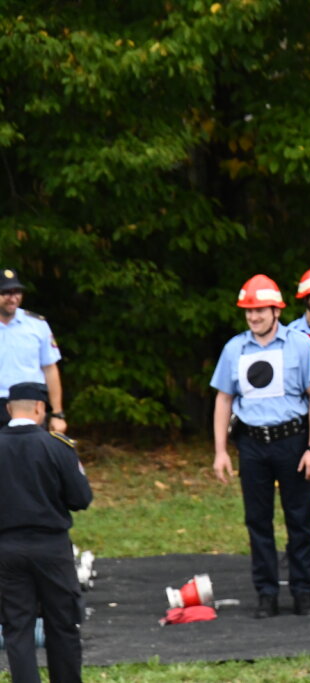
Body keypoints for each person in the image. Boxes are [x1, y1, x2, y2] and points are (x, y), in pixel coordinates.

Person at [210, 274, 310, 619]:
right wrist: (220, 451)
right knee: (257, 521)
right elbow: (223, 399)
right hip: (253, 445)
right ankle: (266, 594)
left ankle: (303, 593)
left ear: (276, 311)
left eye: (259, 311)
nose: (254, 317)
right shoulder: (234, 348)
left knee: (299, 520)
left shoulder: (300, 345)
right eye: (249, 312)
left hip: (293, 441)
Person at [0, 382, 92, 683]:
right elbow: (81, 499)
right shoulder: (57, 446)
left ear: (8, 409)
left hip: (7, 547)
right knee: (62, 623)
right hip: (51, 547)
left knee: (17, 626)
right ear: (40, 408)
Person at [0, 268, 67, 434]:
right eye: (6, 292)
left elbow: (50, 369)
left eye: (17, 292)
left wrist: (58, 413)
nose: (13, 298)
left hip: (29, 404)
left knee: (31, 457)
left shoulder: (37, 325)